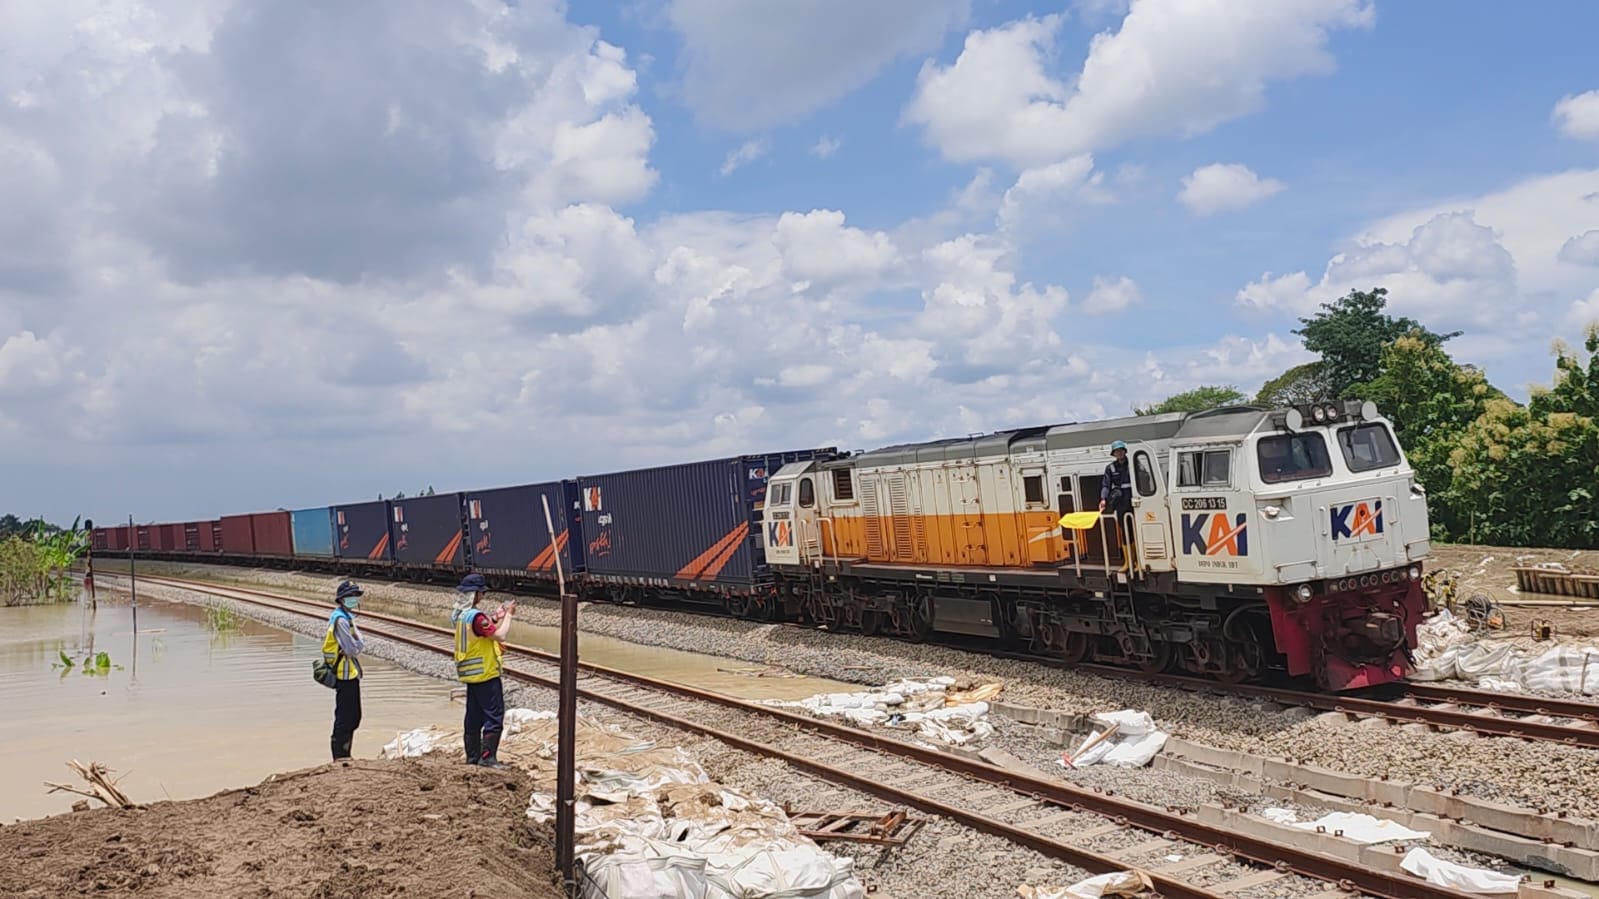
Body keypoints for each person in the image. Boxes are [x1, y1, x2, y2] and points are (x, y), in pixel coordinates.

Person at [452, 572, 515, 768]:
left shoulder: (461, 615)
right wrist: (509, 616)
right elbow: (500, 636)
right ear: (476, 594)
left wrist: (496, 617)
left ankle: (472, 757)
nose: (483, 596)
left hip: (471, 676)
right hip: (486, 674)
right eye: (482, 593)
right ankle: (488, 758)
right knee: (494, 717)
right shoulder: (477, 617)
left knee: (473, 717)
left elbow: (480, 631)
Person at [323, 580, 366, 760]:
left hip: (350, 673)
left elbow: (358, 644)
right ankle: (340, 757)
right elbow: (353, 648)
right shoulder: (340, 619)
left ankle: (345, 754)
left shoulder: (346, 617)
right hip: (343, 674)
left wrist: (357, 645)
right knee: (345, 718)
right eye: (351, 596)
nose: (354, 599)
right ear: (342, 599)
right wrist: (357, 645)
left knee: (353, 716)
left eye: (356, 596)